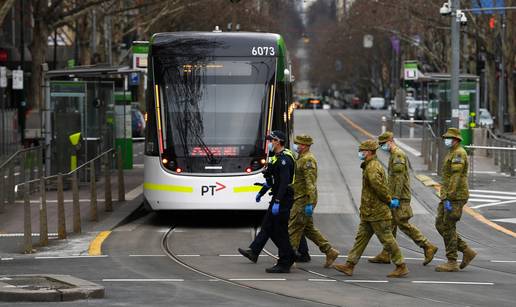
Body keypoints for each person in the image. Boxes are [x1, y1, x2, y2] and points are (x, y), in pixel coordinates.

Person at [334, 139, 408, 278]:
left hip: (377, 212)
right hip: (369, 212)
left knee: (387, 239)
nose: (360, 153)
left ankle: (401, 265)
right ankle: (349, 265)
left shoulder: (372, 167)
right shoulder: (370, 165)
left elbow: (378, 187)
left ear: (368, 152)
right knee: (361, 238)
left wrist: (388, 200)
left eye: (361, 151)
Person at [368, 131, 438, 266]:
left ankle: (427, 246)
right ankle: (386, 253)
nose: (382, 147)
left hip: (399, 197)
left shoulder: (398, 155)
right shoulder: (394, 155)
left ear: (390, 142)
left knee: (402, 223)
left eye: (383, 144)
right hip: (396, 195)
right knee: (391, 225)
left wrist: (395, 197)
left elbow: (398, 178)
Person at [238, 130, 296, 273]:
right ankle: (286, 255)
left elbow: (284, 183)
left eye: (272, 140)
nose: (270, 143)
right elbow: (273, 179)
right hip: (278, 196)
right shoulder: (276, 157)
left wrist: (277, 201)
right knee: (268, 226)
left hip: (282, 198)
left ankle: (286, 260)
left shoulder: (284, 160)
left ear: (278, 142)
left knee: (279, 230)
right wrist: (264, 188)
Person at [288, 134, 339, 268]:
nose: (296, 146)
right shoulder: (301, 158)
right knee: (308, 229)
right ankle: (329, 251)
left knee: (293, 228)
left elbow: (310, 183)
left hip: (303, 199)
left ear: (304, 145)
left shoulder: (308, 160)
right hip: (300, 197)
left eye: (298, 143)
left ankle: (288, 258)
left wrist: (310, 203)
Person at [435, 128, 477, 272]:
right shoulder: (452, 152)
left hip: (455, 196)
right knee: (440, 224)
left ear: (456, 140)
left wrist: (449, 196)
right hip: (448, 195)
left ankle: (452, 261)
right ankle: (466, 250)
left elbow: (456, 177)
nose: (446, 140)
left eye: (449, 138)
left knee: (448, 226)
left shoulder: (459, 153)